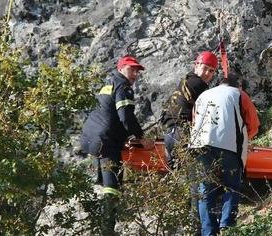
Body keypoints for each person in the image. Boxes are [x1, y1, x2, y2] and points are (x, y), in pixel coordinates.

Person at [79, 55, 152, 234]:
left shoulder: (109, 82)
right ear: (121, 69)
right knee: (112, 186)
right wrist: (141, 137)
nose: (135, 74)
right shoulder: (123, 85)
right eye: (131, 69)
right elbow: (126, 117)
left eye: (137, 71)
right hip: (105, 141)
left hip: (89, 138)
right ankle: (107, 229)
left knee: (106, 183)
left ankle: (102, 222)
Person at [189, 73, 260, 236]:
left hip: (199, 147)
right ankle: (227, 226)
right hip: (228, 146)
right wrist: (243, 139)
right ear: (238, 86)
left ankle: (208, 231)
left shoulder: (202, 96)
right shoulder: (238, 94)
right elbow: (254, 125)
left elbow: (194, 122)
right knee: (232, 186)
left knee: (205, 190)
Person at [160, 51, 218, 169]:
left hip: (170, 134)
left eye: (211, 71)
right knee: (195, 176)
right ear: (196, 65)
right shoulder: (198, 84)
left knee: (177, 175)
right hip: (182, 134)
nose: (207, 73)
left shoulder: (186, 81)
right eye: (205, 68)